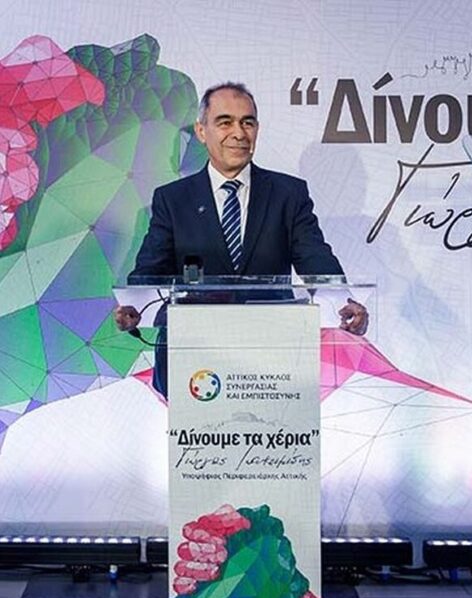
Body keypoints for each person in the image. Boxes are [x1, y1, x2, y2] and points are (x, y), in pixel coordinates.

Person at [115, 82, 367, 397]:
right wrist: (133, 306)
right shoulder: (173, 199)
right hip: (193, 362)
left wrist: (344, 303)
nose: (239, 133)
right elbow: (151, 269)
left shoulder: (288, 194)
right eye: (225, 122)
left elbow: (315, 257)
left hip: (272, 362)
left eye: (247, 122)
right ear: (201, 131)